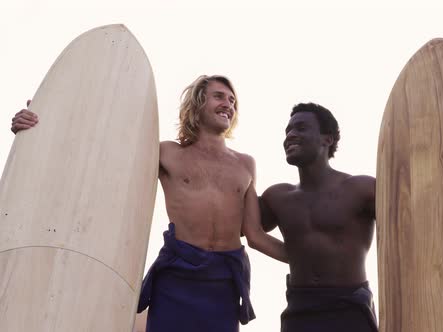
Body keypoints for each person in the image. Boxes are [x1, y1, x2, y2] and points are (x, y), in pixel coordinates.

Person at [10, 75, 287, 332]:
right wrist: (46, 122)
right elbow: (104, 155)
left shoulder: (245, 164)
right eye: (219, 96)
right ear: (198, 103)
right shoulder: (168, 153)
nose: (228, 104)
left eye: (232, 101)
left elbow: (255, 236)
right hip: (177, 277)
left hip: (223, 283)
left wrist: (310, 261)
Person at [258, 102, 443, 332]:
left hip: (349, 311)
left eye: (301, 128)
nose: (290, 135)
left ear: (327, 139)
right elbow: (228, 228)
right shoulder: (277, 197)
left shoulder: (360, 189)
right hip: (299, 313)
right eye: (287, 131)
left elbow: (430, 221)